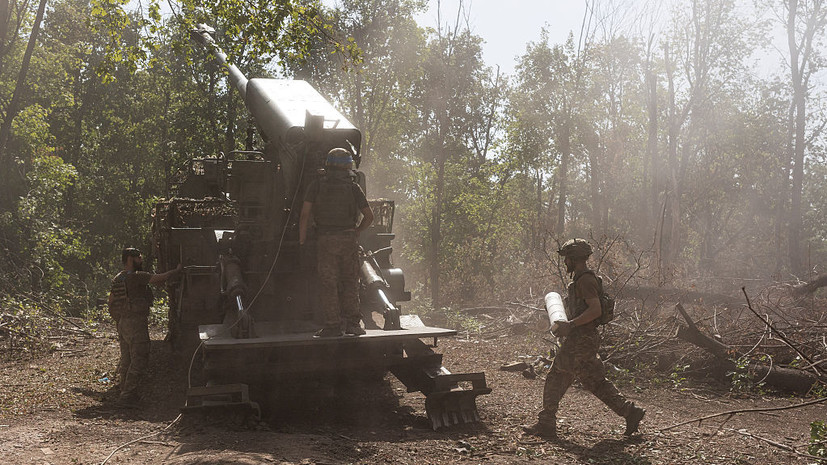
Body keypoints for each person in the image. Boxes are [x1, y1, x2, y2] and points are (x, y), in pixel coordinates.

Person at [524, 238, 644, 439]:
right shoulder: (580, 279)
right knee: (595, 382)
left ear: (573, 258)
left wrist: (570, 325)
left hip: (580, 339)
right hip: (583, 339)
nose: (565, 263)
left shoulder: (585, 280)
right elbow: (582, 307)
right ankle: (630, 412)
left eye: (567, 259)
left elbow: (595, 310)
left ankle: (546, 423)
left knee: (556, 376)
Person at [299, 148, 374, 338]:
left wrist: (302, 240)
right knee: (351, 282)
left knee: (328, 283)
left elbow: (305, 214)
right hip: (348, 240)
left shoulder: (316, 185)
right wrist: (356, 232)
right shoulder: (353, 187)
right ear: (349, 165)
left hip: (325, 240)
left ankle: (332, 326)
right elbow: (369, 216)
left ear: (328, 164)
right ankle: (353, 325)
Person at [108, 248, 181, 406]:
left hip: (122, 323)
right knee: (139, 358)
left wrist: (118, 320)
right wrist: (177, 270)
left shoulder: (118, 278)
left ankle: (124, 392)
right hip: (135, 323)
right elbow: (160, 278)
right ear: (130, 259)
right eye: (138, 258)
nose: (141, 260)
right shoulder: (136, 277)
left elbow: (111, 301)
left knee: (126, 359)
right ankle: (127, 395)